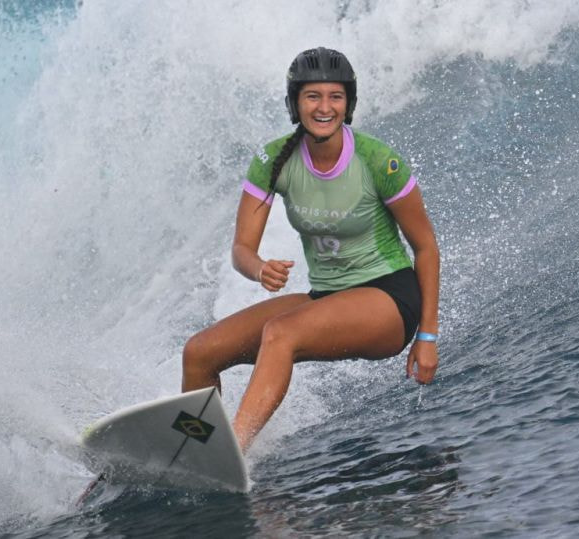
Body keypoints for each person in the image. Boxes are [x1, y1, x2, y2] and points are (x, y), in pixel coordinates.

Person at [182, 47, 440, 453]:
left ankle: (233, 450)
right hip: (328, 297)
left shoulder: (378, 162)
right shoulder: (274, 161)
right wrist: (258, 269)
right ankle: (191, 447)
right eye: (312, 96)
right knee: (200, 352)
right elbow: (241, 249)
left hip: (390, 299)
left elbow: (425, 248)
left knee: (280, 332)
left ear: (348, 103)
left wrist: (427, 336)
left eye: (335, 96)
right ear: (295, 103)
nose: (324, 107)